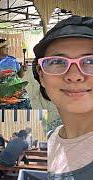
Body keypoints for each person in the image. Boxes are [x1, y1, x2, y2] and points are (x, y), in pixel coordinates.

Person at [32, 15, 93, 179]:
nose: (74, 76)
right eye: (57, 61)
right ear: (41, 76)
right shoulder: (48, 141)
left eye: (91, 61)